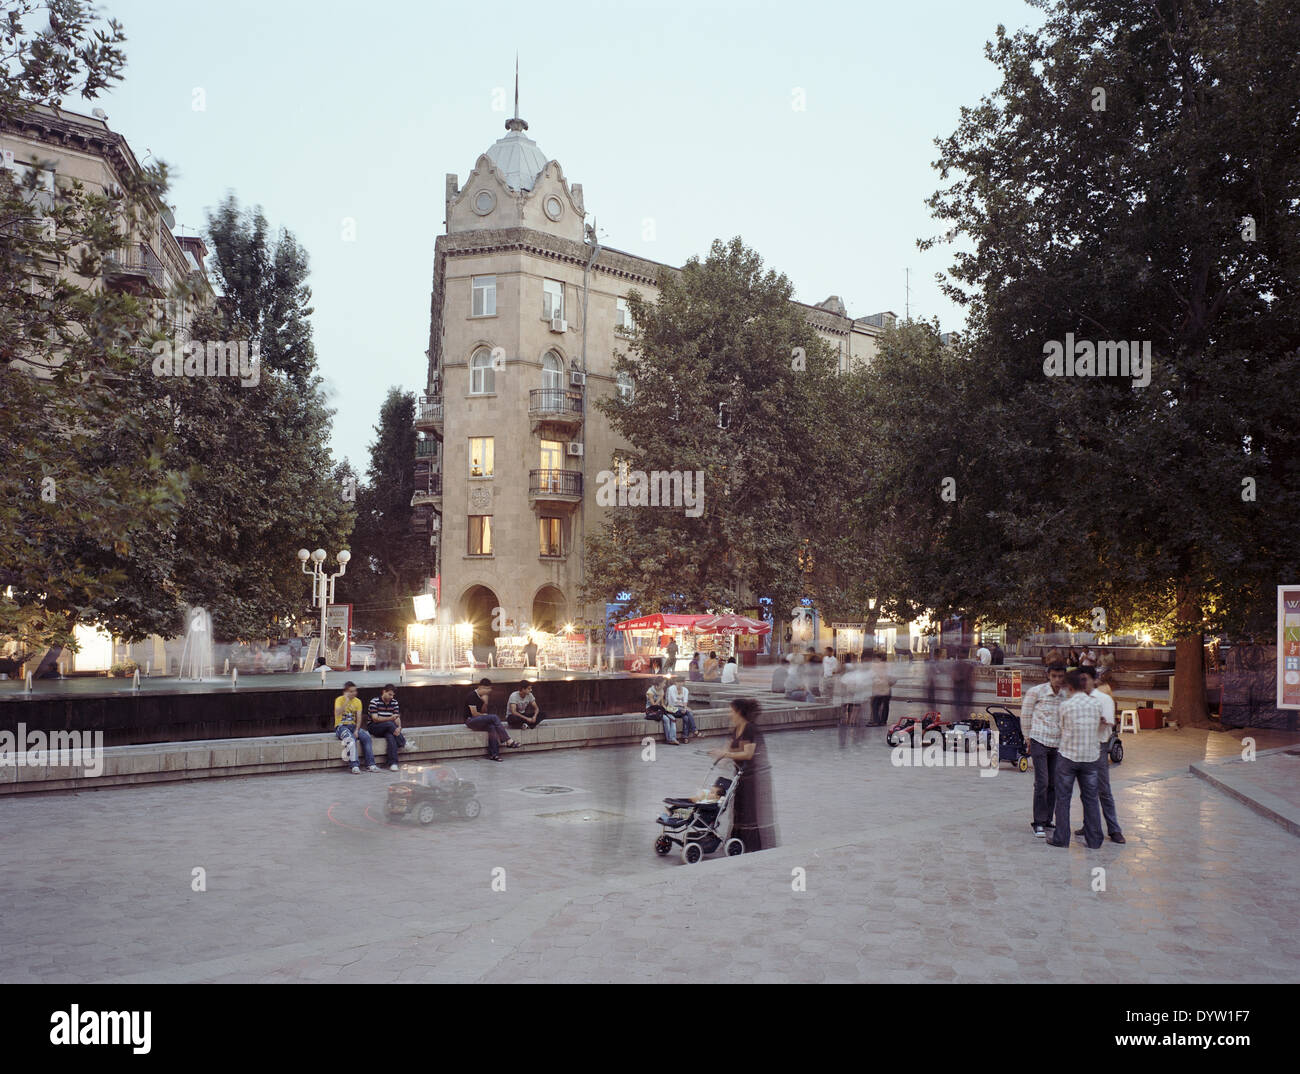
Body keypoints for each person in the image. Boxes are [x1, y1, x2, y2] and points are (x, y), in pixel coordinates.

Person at [708, 698, 778, 851]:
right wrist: (719, 755)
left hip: (751, 777)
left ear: (739, 712)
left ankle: (750, 845)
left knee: (748, 810)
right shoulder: (736, 729)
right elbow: (732, 750)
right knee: (738, 809)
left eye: (731, 711)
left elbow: (747, 754)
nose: (729, 714)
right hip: (739, 775)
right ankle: (738, 843)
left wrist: (725, 753)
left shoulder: (750, 729)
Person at [1046, 670, 1105, 849]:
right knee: (1091, 799)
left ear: (1070, 687)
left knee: (1063, 799)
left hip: (1068, 756)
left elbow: (1061, 728)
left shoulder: (1065, 706)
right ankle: (1094, 839)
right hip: (1091, 756)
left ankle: (1061, 838)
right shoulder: (1096, 705)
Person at [1076, 667, 1124, 843]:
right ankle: (1089, 824)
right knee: (1085, 791)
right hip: (1080, 747)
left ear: (1094, 680)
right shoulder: (1077, 698)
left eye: (1086, 679)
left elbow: (1108, 722)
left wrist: (1099, 720)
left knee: (1103, 789)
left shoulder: (1104, 699)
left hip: (1099, 747)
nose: (1083, 683)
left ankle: (1114, 829)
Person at [1022, 664, 1066, 837]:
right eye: (1054, 676)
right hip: (1039, 739)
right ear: (1048, 675)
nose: (1057, 680)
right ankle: (1038, 821)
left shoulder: (1065, 695)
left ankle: (1048, 819)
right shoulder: (1036, 692)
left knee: (1054, 783)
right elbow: (1026, 714)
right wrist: (1027, 737)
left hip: (1057, 742)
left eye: (1060, 676)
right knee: (1042, 782)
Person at [465, 678, 519, 761]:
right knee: (494, 717)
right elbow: (474, 714)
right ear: (480, 687)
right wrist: (485, 715)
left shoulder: (483, 697)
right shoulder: (472, 696)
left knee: (492, 727)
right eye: (486, 689)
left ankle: (494, 755)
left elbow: (483, 711)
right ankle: (508, 740)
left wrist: (485, 703)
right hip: (470, 721)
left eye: (489, 689)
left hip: (478, 720)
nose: (488, 691)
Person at [334, 681, 376, 774]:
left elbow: (359, 718)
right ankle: (354, 765)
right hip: (341, 727)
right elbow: (337, 713)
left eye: (355, 691)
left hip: (353, 726)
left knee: (366, 738)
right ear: (346, 692)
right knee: (351, 739)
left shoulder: (358, 701)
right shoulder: (339, 700)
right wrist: (346, 701)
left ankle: (370, 764)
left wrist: (357, 730)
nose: (354, 693)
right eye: (351, 691)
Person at [366, 683, 408, 771]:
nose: (391, 697)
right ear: (384, 692)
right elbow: (375, 719)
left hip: (389, 728)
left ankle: (393, 763)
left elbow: (396, 718)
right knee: (389, 724)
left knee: (391, 736)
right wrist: (390, 718)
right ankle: (403, 742)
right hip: (374, 727)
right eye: (389, 694)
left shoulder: (394, 702)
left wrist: (399, 727)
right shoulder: (374, 701)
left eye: (393, 695)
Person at [665, 677, 699, 742]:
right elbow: (674, 701)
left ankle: (685, 737)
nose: (680, 684)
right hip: (672, 709)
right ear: (675, 682)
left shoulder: (685, 690)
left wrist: (684, 708)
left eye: (681, 682)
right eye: (678, 682)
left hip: (681, 709)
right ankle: (694, 730)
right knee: (689, 712)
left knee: (686, 717)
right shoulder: (671, 689)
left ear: (684, 682)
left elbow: (685, 701)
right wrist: (685, 708)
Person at [869, 653, 895, 726]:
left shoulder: (875, 666)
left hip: (878, 688)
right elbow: (893, 678)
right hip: (886, 689)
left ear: (879, 658)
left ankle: (876, 721)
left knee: (875, 705)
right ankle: (883, 721)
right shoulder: (889, 666)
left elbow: (872, 676)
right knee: (885, 706)